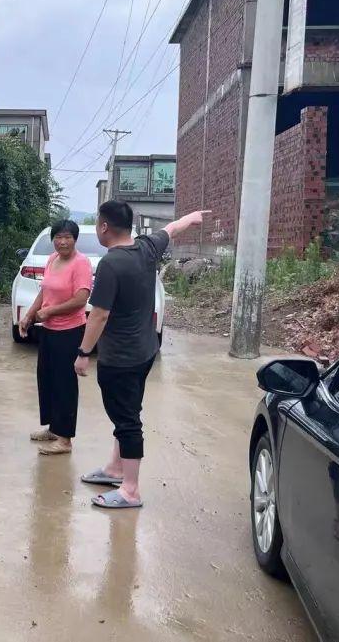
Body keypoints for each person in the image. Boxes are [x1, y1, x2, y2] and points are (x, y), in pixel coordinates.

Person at [74, 201, 210, 509]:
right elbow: (172, 229)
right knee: (128, 410)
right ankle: (114, 468)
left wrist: (83, 353)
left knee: (127, 420)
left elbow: (99, 315)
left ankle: (130, 490)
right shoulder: (148, 247)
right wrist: (193, 216)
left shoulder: (111, 263)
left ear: (104, 227)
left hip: (121, 357)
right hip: (146, 350)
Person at [19, 219, 92, 455]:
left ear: (75, 239)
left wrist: (49, 311)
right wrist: (29, 315)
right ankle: (53, 428)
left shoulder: (81, 263)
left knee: (65, 385)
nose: (62, 241)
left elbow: (81, 299)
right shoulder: (52, 259)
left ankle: (65, 439)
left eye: (67, 237)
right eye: (58, 237)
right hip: (48, 330)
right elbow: (44, 292)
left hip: (70, 332)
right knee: (47, 379)